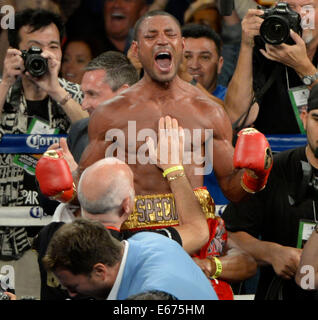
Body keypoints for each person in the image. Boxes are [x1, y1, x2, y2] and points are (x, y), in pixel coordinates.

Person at [36, 10, 271, 298]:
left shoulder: (209, 112)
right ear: (136, 49)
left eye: (170, 35)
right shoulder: (111, 113)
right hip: (134, 237)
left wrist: (255, 176)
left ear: (181, 46)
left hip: (196, 232)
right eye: (151, 36)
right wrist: (65, 185)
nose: (162, 41)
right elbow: (86, 192)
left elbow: (233, 191)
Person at [0, 8, 86, 260]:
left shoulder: (75, 95)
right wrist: (5, 81)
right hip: (6, 231)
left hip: (65, 235)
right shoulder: (3, 90)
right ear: (15, 52)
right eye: (35, 47)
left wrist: (55, 90)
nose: (45, 55)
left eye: (53, 46)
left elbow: (95, 136)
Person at [222, 82, 318, 300]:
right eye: (317, 119)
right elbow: (227, 236)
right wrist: (272, 253)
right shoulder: (272, 171)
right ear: (304, 117)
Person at [42, 218, 218, 300]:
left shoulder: (150, 297)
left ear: (100, 271)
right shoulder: (145, 240)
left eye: (73, 287)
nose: (71, 295)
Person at [225, 0, 318, 134]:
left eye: (307, 8)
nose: (299, 15)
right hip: (273, 151)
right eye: (290, 7)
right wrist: (246, 45)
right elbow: (236, 118)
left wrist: (303, 67)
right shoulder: (265, 47)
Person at [182, 22, 228, 205]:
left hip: (220, 207)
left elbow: (229, 117)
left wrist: (190, 84)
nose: (193, 65)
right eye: (186, 57)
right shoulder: (162, 101)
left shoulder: (229, 100)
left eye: (205, 57)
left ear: (220, 64)